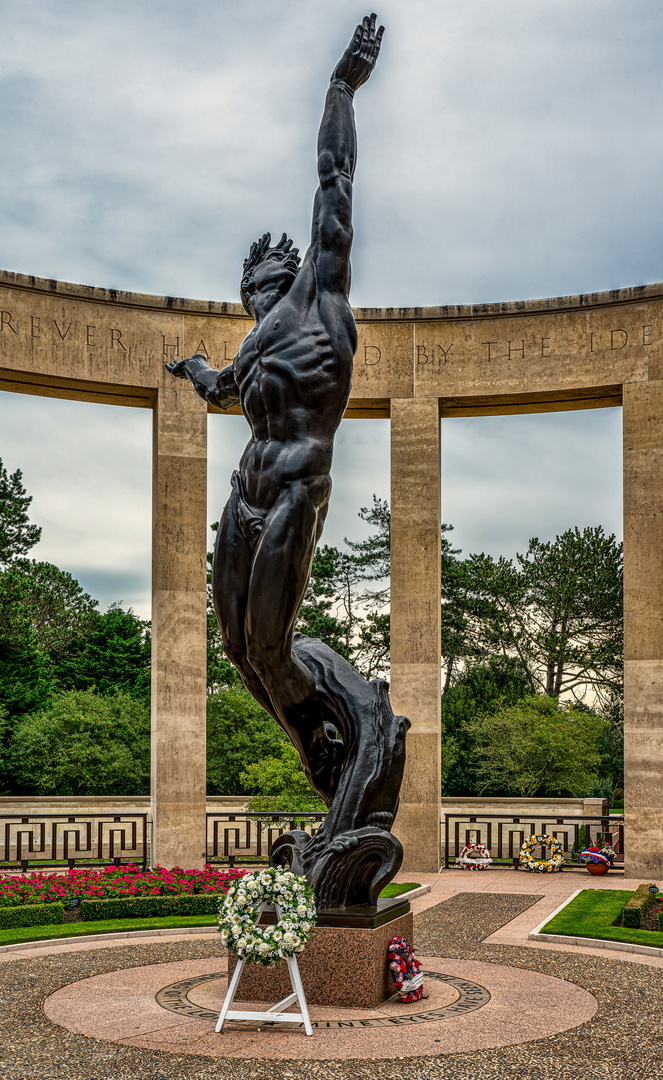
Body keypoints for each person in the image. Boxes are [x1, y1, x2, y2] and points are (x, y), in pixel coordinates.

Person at [166, 15, 385, 805]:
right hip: (245, 497)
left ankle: (330, 739)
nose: (252, 301)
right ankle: (316, 753)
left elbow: (336, 182)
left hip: (295, 491)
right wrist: (195, 368)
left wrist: (340, 88)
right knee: (236, 649)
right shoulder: (255, 347)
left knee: (270, 643)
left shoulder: (320, 302)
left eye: (257, 289)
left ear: (281, 277)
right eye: (246, 295)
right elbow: (222, 387)